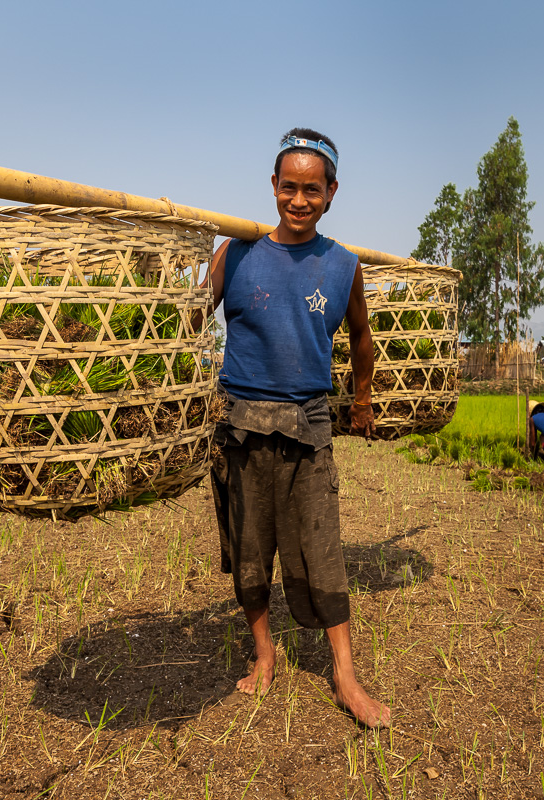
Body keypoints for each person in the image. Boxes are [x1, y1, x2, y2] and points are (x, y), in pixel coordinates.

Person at [203, 127, 390, 728]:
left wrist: (361, 400)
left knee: (322, 549)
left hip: (308, 426)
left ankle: (346, 676)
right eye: (290, 188)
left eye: (313, 189)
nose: (300, 200)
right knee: (250, 549)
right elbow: (185, 321)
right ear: (274, 188)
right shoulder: (236, 252)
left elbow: (361, 338)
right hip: (240, 423)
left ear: (332, 192)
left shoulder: (342, 265)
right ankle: (265, 654)